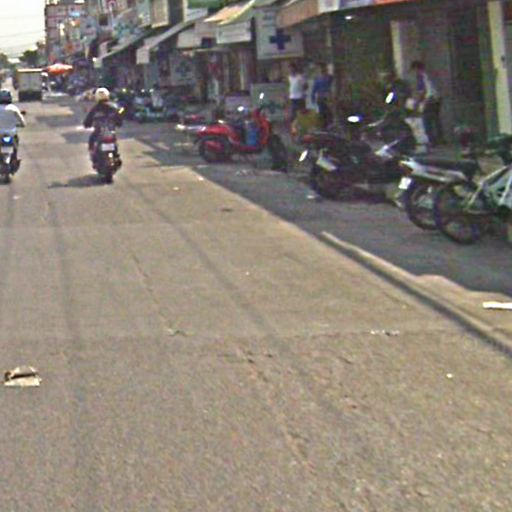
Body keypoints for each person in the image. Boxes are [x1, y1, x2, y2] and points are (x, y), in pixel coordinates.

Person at [83, 87, 122, 165]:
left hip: (100, 132)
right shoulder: (113, 107)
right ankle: (115, 155)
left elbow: (87, 121)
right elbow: (119, 121)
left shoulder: (95, 109)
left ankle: (94, 156)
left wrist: (87, 124)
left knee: (91, 141)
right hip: (110, 132)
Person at [411, 60, 444, 146]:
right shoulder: (431, 74)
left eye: (414, 70)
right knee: (436, 119)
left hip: (430, 99)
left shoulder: (421, 76)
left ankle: (431, 140)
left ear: (416, 68)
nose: (414, 73)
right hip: (438, 98)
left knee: (426, 120)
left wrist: (417, 103)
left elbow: (422, 91)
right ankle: (440, 139)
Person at [0, 89, 26, 168]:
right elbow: (23, 122)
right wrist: (20, 125)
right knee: (15, 146)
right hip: (12, 133)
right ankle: (14, 158)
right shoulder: (14, 108)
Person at [311, 63, 333, 129]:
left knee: (329, 112)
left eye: (323, 68)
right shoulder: (317, 79)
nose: (322, 70)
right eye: (321, 69)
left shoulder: (329, 77)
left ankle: (329, 125)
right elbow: (314, 89)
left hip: (328, 98)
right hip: (321, 98)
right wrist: (312, 97)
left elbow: (332, 86)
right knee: (322, 113)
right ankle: (323, 126)